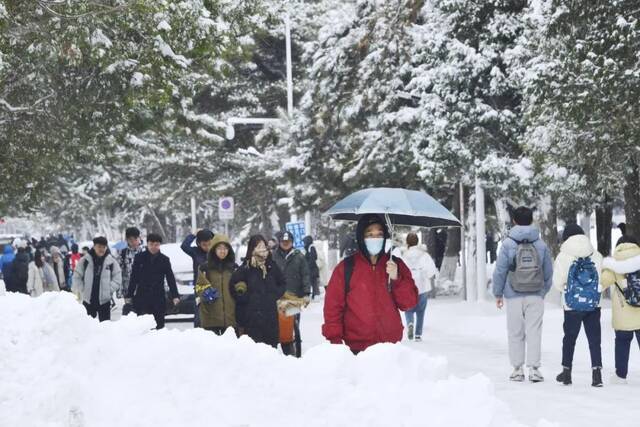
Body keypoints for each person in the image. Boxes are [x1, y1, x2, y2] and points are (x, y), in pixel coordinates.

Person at [323, 214, 418, 354]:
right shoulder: (346, 268)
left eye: (379, 234)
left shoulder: (395, 264)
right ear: (361, 237)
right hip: (356, 349)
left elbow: (409, 303)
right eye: (370, 234)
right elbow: (333, 308)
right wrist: (335, 342)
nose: (375, 239)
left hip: (390, 348)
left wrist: (396, 278)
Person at [493, 206, 553, 383]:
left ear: (514, 221)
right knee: (534, 331)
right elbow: (548, 272)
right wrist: (542, 291)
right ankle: (534, 369)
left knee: (515, 332)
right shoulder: (540, 244)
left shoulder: (508, 244)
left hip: (513, 294)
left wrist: (498, 293)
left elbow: (500, 271)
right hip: (535, 294)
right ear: (532, 220)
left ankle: (517, 369)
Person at [552, 224, 604, 387]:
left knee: (569, 339)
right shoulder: (596, 255)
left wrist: (567, 291)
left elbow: (558, 283)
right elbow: (602, 279)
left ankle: (566, 373)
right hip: (593, 305)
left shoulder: (563, 255)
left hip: (571, 305)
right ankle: (597, 375)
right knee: (594, 340)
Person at [229, 235, 286, 348]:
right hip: (252, 318)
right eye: (257, 246)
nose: (261, 249)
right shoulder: (246, 268)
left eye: (263, 246)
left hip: (270, 317)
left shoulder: (271, 266)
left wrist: (274, 294)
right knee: (255, 352)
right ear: (252, 249)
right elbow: (233, 286)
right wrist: (245, 298)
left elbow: (283, 283)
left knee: (271, 350)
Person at [601, 236, 640, 384]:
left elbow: (602, 282)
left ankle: (621, 376)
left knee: (622, 343)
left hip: (623, 315)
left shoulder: (614, 266)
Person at [126, 233, 180, 329]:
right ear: (147, 244)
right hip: (142, 296)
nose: (154, 247)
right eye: (151, 244)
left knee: (159, 326)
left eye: (156, 245)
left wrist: (175, 295)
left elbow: (170, 278)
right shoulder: (139, 258)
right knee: (143, 327)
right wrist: (129, 295)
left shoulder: (164, 259)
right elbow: (134, 277)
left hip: (158, 297)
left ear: (159, 245)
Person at [272, 231, 311, 358]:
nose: (285, 244)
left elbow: (305, 275)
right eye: (283, 242)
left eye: (288, 242)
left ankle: (293, 346)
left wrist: (306, 293)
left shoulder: (299, 256)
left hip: (294, 295)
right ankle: (279, 346)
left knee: (294, 323)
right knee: (279, 322)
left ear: (292, 242)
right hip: (277, 295)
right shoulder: (273, 256)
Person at [195, 234, 237, 335]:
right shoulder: (205, 268)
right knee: (212, 349)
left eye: (225, 248)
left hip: (230, 318)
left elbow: (240, 285)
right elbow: (199, 286)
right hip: (210, 317)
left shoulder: (234, 268)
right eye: (219, 248)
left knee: (230, 349)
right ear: (214, 249)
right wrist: (206, 292)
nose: (223, 251)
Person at [72, 237, 122, 322]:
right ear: (94, 246)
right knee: (87, 327)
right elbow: (77, 276)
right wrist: (83, 290)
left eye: (104, 247)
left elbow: (117, 278)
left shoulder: (111, 261)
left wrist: (109, 289)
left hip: (104, 301)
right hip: (88, 300)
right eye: (99, 246)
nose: (101, 249)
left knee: (105, 327)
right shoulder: (85, 260)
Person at [401, 232, 438, 342]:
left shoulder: (404, 256)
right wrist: (426, 275)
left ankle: (410, 324)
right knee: (420, 312)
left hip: (409, 287)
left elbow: (400, 271)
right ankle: (418, 335)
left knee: (408, 309)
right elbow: (431, 271)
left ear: (407, 242)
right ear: (418, 241)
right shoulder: (424, 255)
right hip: (422, 286)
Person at [181, 228, 214, 327]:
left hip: (214, 285)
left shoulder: (216, 252)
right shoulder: (195, 252)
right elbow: (184, 246)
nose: (207, 247)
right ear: (199, 244)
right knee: (199, 314)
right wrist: (193, 234)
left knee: (213, 313)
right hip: (200, 288)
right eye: (204, 244)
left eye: (209, 244)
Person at [120, 227, 145, 314]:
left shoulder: (146, 251)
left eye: (135, 239)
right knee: (131, 316)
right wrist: (121, 291)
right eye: (130, 240)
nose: (133, 242)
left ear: (139, 238)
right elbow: (119, 272)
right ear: (127, 240)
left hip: (145, 290)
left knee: (144, 315)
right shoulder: (123, 253)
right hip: (129, 290)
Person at [303, 235, 321, 300]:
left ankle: (315, 294)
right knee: (312, 282)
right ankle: (314, 294)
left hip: (312, 268)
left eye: (305, 242)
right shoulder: (309, 248)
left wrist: (308, 264)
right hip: (311, 268)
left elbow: (313, 257)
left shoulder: (311, 247)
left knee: (313, 282)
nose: (304, 243)